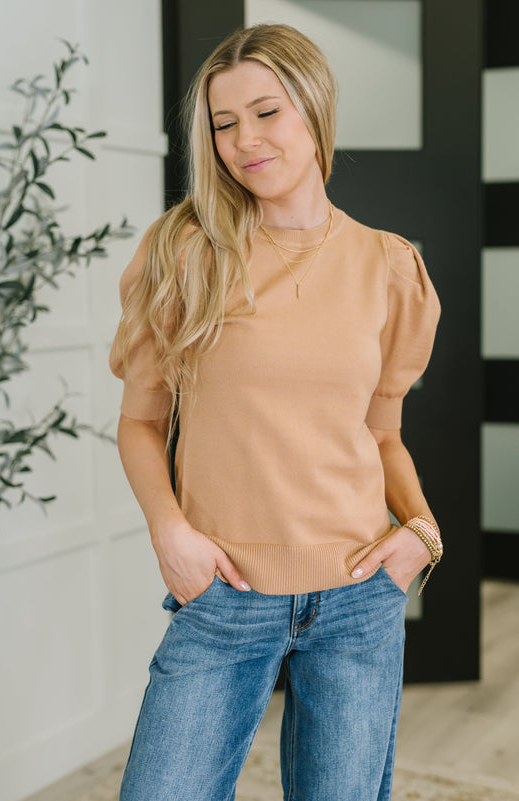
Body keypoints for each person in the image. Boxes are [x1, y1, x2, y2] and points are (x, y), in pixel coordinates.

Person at [109, 22, 442, 801]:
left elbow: (381, 434)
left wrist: (421, 531)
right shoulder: (183, 251)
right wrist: (171, 533)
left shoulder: (388, 266)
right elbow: (140, 422)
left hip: (358, 597)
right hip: (223, 593)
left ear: (313, 108)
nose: (243, 140)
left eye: (266, 112)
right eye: (224, 124)